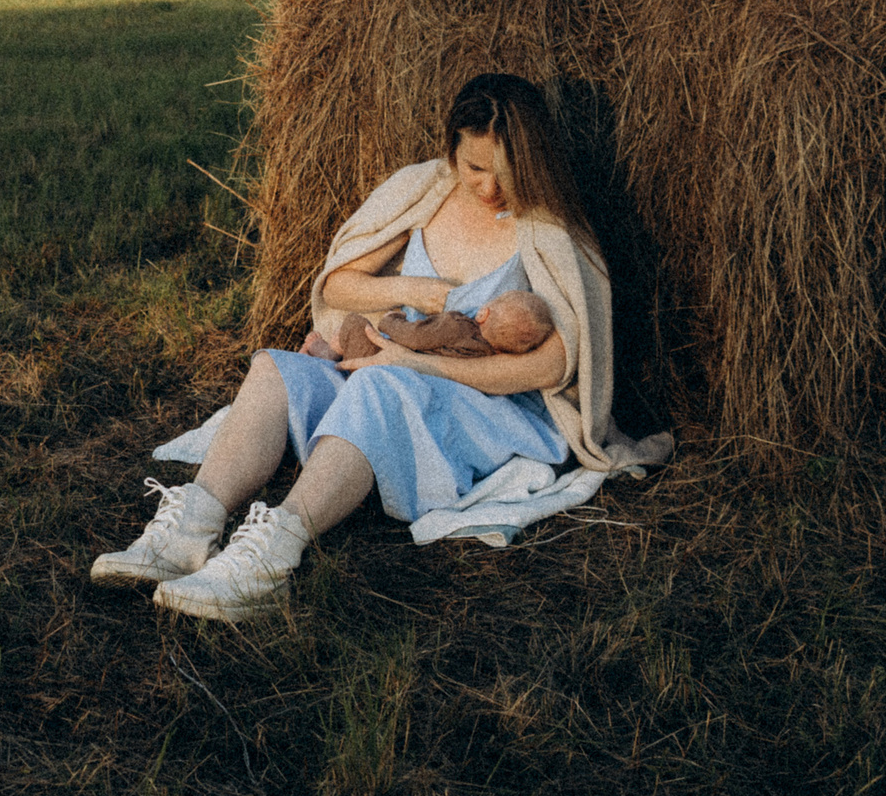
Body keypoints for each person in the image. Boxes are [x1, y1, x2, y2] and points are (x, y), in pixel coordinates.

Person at [91, 72, 671, 620]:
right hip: (388, 364)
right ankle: (189, 529)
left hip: (489, 408)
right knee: (274, 369)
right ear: (451, 151)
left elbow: (559, 362)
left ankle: (269, 560)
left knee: (377, 383)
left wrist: (417, 361)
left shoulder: (549, 231)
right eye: (474, 167)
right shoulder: (419, 192)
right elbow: (339, 284)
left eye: (507, 171)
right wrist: (418, 290)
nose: (490, 188)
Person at [302, 287, 557, 362]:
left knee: (355, 323)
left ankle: (327, 354)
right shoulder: (487, 355)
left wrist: (391, 321)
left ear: (483, 313)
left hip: (380, 363)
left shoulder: (457, 325)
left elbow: (414, 337)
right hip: (404, 370)